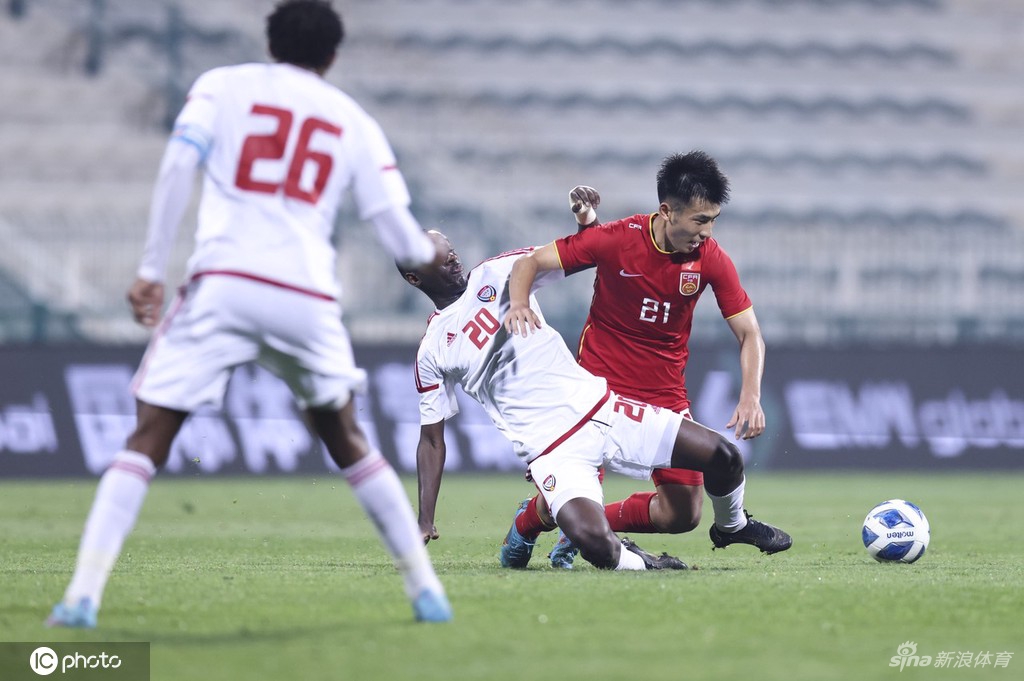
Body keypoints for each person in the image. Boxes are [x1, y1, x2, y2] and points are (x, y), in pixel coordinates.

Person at [46, 0, 451, 628]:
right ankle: (426, 592)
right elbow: (400, 239)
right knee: (347, 438)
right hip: (307, 295)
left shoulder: (220, 86)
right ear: (333, 57)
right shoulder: (353, 120)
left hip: (225, 281)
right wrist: (428, 251)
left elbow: (179, 163)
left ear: (270, 41)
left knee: (148, 437)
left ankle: (82, 596)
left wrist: (151, 267)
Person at [400, 230, 791, 572]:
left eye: (449, 247)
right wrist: (424, 519)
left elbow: (574, 256)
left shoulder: (499, 271)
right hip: (552, 450)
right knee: (595, 543)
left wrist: (585, 225)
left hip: (604, 409)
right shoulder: (432, 349)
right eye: (437, 253)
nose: (451, 256)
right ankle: (644, 562)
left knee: (722, 457)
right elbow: (431, 440)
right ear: (414, 276)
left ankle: (732, 526)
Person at [503, 150, 786, 569]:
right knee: (567, 494)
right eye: (700, 221)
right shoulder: (617, 239)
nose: (707, 232)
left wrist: (751, 395)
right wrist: (519, 303)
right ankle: (527, 525)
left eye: (713, 220)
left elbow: (750, 334)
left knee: (683, 514)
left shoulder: (709, 259)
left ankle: (586, 530)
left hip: (663, 393)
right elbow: (531, 262)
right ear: (667, 211)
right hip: (597, 393)